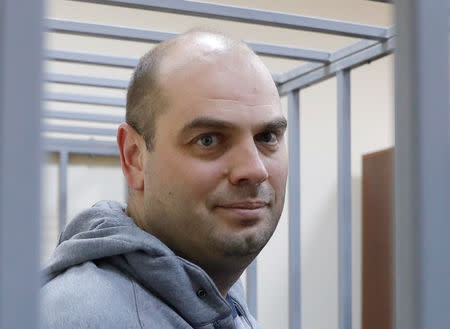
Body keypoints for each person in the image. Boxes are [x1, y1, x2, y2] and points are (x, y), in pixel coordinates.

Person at [41, 29, 288, 329]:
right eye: (208, 140)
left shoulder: (222, 300)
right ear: (135, 157)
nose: (254, 169)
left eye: (267, 136)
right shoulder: (76, 317)